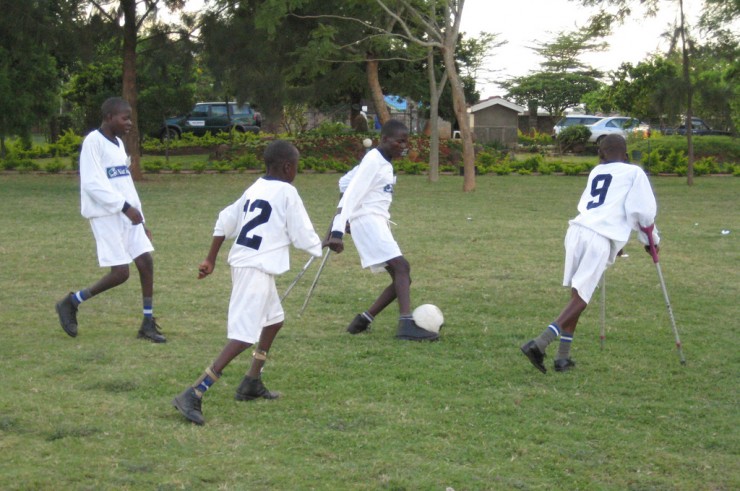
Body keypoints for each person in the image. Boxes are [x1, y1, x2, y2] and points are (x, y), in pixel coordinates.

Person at [172, 140, 322, 425]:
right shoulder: (287, 192)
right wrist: (323, 243)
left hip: (253, 268)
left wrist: (211, 258)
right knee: (243, 336)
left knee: (274, 320)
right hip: (254, 269)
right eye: (297, 167)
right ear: (288, 167)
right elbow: (302, 233)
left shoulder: (255, 188)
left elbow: (224, 220)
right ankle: (193, 392)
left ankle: (251, 381)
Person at [521, 134, 660, 373]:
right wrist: (651, 241)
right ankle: (540, 343)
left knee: (577, 295)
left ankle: (562, 358)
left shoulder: (597, 172)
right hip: (598, 238)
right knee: (581, 298)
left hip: (576, 231)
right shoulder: (634, 172)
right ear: (626, 156)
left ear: (601, 155)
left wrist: (619, 241)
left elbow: (605, 207)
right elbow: (643, 213)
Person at [55, 97, 165, 343]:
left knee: (146, 261)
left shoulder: (117, 144)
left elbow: (124, 184)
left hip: (128, 215)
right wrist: (125, 208)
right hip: (106, 214)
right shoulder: (93, 142)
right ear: (108, 118)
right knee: (120, 273)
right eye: (124, 118)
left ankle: (147, 323)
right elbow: (93, 183)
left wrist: (140, 219)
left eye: (130, 118)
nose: (129, 123)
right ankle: (71, 302)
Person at [326, 120, 437, 341]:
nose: (403, 145)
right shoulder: (373, 160)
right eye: (399, 141)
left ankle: (363, 320)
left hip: (375, 221)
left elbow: (345, 182)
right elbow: (351, 194)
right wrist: (336, 231)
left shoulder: (381, 161)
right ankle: (406, 324)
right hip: (368, 221)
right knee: (402, 267)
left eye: (406, 141)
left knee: (402, 277)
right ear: (384, 139)